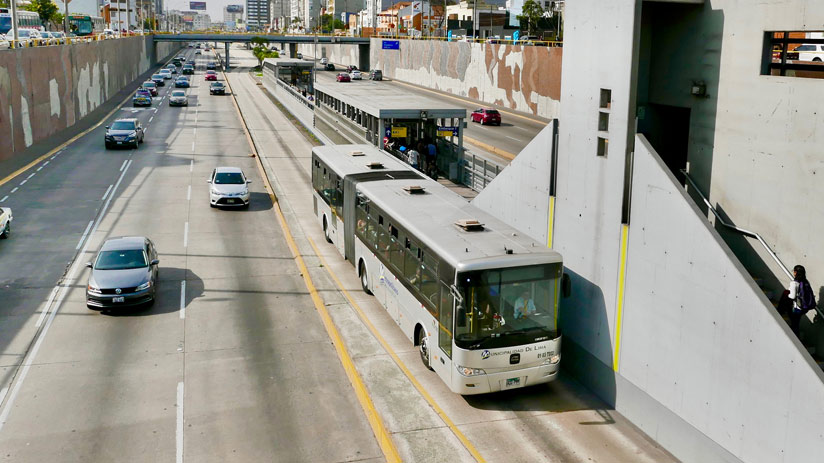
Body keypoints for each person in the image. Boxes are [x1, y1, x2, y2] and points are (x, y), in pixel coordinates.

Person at [788, 264, 816, 335]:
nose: (793, 273)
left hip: (797, 308)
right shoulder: (806, 282)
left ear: (796, 272)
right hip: (804, 308)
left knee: (794, 325)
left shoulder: (794, 283)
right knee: (796, 323)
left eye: (794, 271)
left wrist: (787, 294)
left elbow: (792, 296)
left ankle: (796, 340)